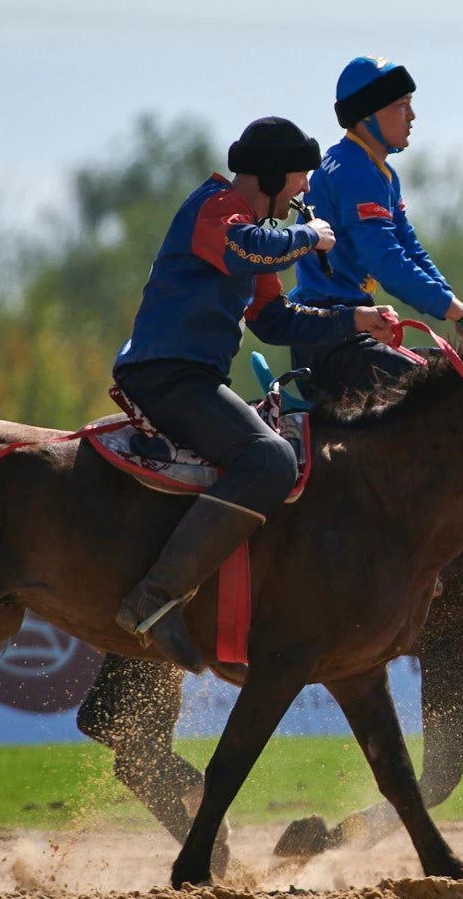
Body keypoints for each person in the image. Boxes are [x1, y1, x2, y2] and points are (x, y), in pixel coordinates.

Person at [111, 116, 404, 669]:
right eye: (298, 180)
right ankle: (154, 600)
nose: (303, 193)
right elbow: (248, 250)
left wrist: (355, 321)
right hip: (166, 376)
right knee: (271, 460)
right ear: (269, 176)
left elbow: (274, 318)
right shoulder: (218, 209)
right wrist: (310, 238)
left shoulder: (255, 233)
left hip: (189, 378)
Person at [290, 55, 463, 407]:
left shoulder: (376, 170)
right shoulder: (357, 172)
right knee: (454, 397)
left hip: (346, 333)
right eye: (402, 106)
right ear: (368, 115)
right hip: (333, 345)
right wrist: (460, 314)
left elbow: (410, 249)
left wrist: (459, 309)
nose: (412, 117)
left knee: (461, 375)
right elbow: (388, 264)